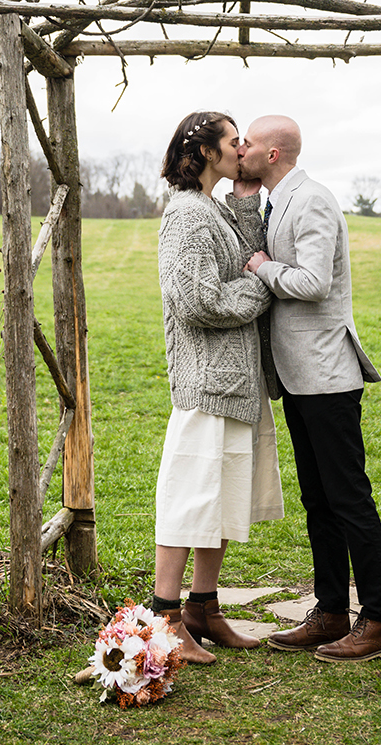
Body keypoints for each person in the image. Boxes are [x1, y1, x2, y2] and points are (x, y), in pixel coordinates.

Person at [235, 114, 381, 662]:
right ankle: (331, 612)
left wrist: (262, 267)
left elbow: (312, 282)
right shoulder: (276, 199)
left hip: (328, 377)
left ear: (275, 154)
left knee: (349, 498)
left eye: (249, 143)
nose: (240, 148)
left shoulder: (313, 200)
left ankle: (379, 621)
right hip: (298, 377)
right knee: (318, 500)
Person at [150, 109, 284, 664]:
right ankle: (163, 617)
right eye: (234, 142)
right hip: (206, 382)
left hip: (235, 382)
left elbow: (249, 254)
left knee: (222, 502)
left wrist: (247, 197)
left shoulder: (213, 209)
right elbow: (197, 300)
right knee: (189, 499)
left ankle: (203, 608)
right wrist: (261, 291)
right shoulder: (185, 216)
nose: (243, 147)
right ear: (206, 151)